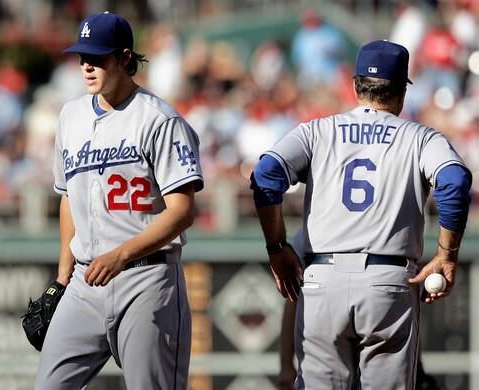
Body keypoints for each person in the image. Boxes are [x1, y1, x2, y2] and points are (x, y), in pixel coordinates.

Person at [251, 40, 471, 389]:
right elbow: (454, 182)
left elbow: (265, 175)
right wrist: (447, 254)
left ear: (355, 86)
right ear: (401, 92)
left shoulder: (316, 131)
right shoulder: (421, 138)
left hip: (322, 280)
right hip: (388, 282)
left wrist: (276, 247)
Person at [35, 11, 203, 390]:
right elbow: (68, 201)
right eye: (82, 58)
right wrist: (61, 279)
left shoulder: (160, 119)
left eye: (98, 58)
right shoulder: (70, 115)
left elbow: (182, 211)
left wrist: (122, 254)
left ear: (126, 59)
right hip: (84, 279)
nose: (87, 67)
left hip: (147, 278)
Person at [278, 231, 442, 390]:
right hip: (385, 292)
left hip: (322, 298)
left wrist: (286, 364)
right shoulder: (393, 220)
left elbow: (293, 300)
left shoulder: (313, 225)